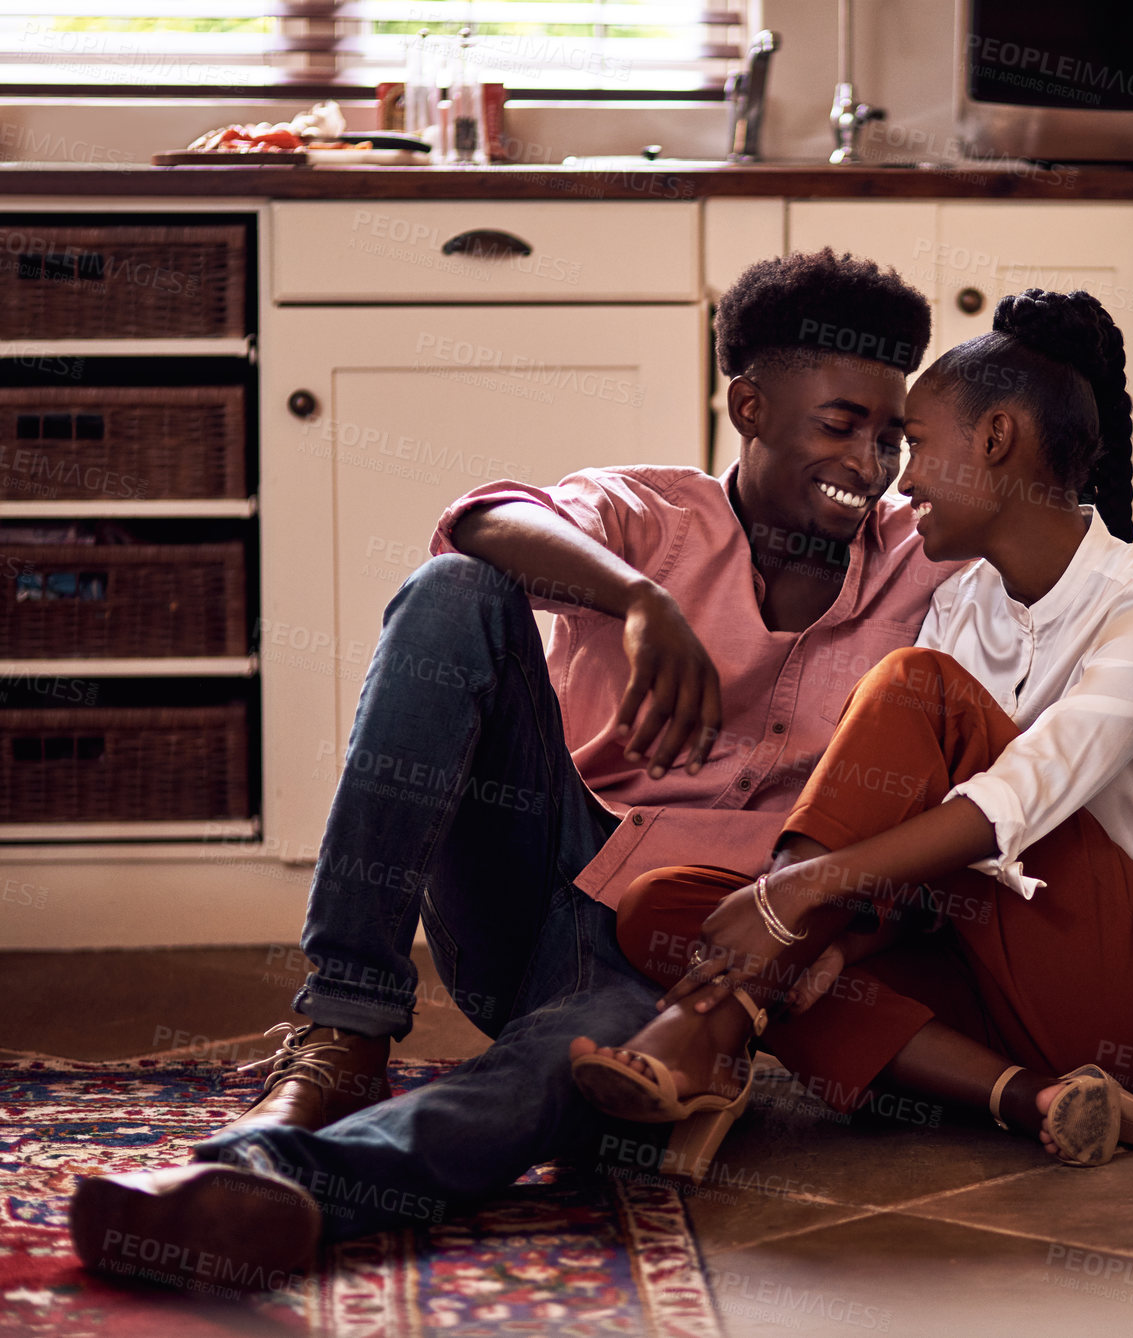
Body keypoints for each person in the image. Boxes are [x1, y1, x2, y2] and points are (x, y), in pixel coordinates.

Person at [66, 249, 964, 1290]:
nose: (869, 462)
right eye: (839, 424)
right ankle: (342, 1032)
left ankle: (274, 1191)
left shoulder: (919, 559)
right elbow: (483, 521)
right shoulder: (650, 514)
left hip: (674, 947)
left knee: (571, 1090)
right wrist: (638, 600)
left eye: (890, 436)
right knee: (454, 592)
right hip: (531, 867)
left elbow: (1063, 557)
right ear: (750, 405)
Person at [570, 289, 1133, 1176]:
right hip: (990, 970)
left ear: (995, 439)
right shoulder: (957, 603)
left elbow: (1018, 800)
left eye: (916, 442)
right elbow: (919, 856)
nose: (901, 476)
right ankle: (1026, 1096)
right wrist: (839, 939)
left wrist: (794, 896)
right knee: (663, 907)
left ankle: (704, 1032)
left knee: (911, 693)